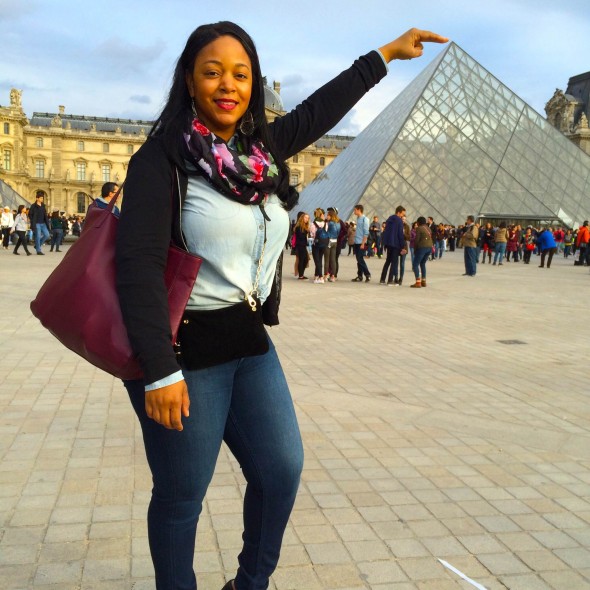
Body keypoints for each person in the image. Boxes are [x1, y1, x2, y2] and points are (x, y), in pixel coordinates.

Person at [114, 22, 447, 590]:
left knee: (281, 471)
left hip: (248, 343)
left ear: (254, 84)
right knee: (181, 497)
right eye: (213, 71)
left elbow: (321, 110)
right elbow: (138, 268)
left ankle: (251, 583)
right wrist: (159, 372)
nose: (228, 85)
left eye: (241, 74)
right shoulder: (161, 160)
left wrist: (386, 55)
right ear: (189, 81)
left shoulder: (257, 152)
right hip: (182, 354)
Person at [379, 205, 406, 285]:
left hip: (388, 244)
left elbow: (386, 232)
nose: (402, 216)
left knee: (387, 261)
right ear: (398, 212)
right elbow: (400, 234)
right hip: (395, 244)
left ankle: (382, 279)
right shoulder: (399, 221)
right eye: (402, 214)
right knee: (394, 262)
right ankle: (390, 280)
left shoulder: (389, 219)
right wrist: (403, 246)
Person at [410, 216, 433, 288]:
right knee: (423, 263)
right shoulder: (428, 228)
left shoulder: (419, 228)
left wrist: (415, 249)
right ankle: (424, 281)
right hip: (429, 247)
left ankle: (418, 282)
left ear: (418, 222)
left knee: (415, 264)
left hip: (422, 247)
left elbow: (417, 240)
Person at [351, 204, 371, 282]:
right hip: (357, 242)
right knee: (358, 259)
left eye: (355, 210)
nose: (354, 211)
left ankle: (367, 274)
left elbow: (366, 232)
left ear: (359, 210)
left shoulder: (365, 219)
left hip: (361, 242)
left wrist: (363, 243)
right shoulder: (358, 218)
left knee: (360, 259)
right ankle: (360, 276)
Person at [293, 212, 310, 279]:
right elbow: (300, 236)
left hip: (303, 245)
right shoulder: (299, 226)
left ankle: (301, 274)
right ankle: (301, 275)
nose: (307, 219)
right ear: (302, 218)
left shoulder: (304, 226)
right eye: (305, 217)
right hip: (300, 245)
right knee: (302, 260)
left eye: (308, 218)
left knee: (305, 260)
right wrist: (307, 232)